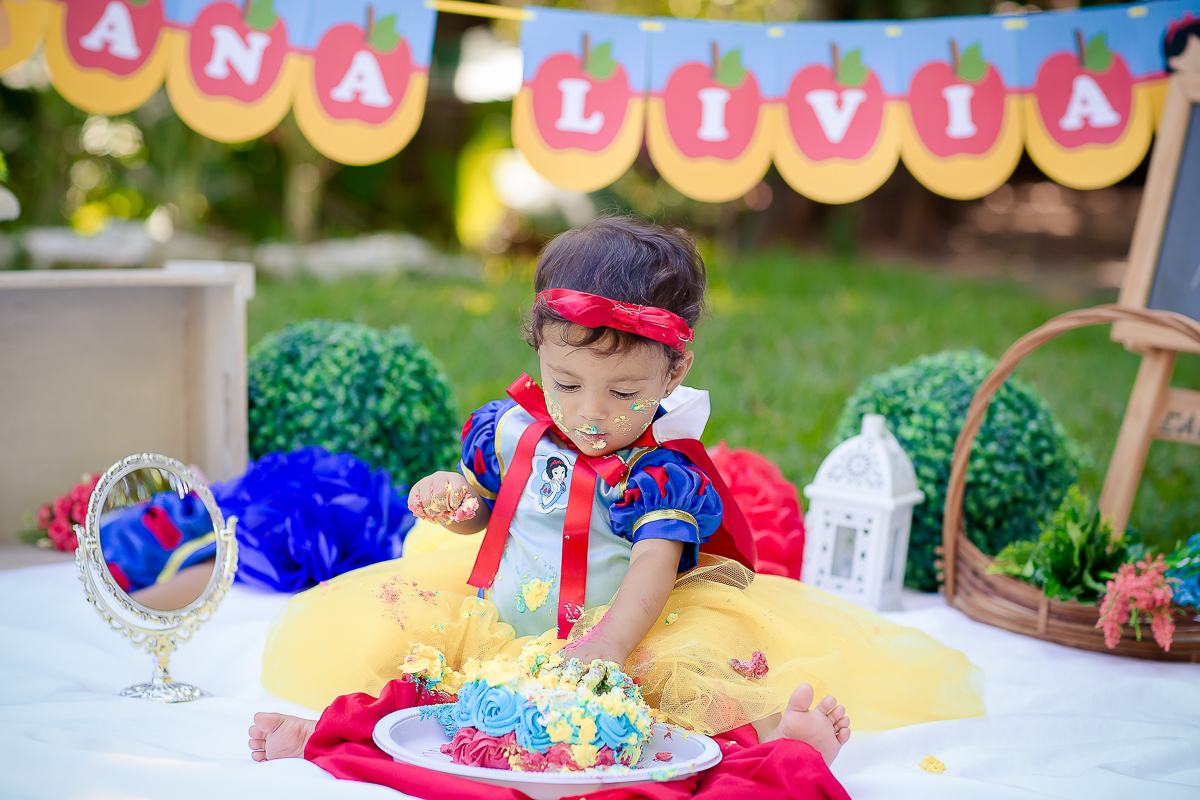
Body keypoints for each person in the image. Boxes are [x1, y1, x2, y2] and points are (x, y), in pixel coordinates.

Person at [249, 216, 983, 769]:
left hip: (626, 627)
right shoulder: (511, 433)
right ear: (538, 348)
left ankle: (782, 741)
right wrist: (460, 503)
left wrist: (607, 647)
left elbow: (651, 568)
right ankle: (331, 733)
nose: (592, 412)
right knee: (434, 678)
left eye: (624, 391)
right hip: (508, 622)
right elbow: (491, 512)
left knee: (674, 705)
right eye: (567, 383)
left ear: (673, 372)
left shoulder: (658, 471)